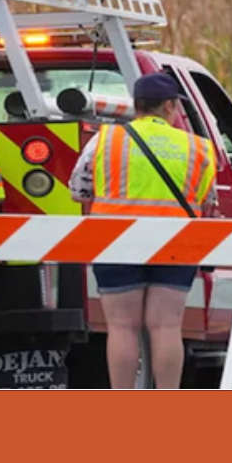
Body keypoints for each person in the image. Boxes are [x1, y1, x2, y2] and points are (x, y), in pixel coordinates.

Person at [68, 72, 217, 388]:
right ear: (169, 106)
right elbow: (207, 199)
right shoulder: (198, 147)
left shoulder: (106, 139)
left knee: (122, 327)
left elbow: (78, 190)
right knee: (166, 326)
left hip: (115, 240)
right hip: (176, 242)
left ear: (136, 106)